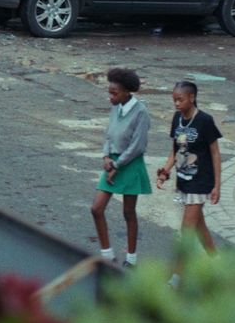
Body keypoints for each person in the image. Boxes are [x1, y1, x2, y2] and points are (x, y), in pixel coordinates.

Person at [156, 81, 222, 286]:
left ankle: (176, 277)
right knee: (199, 226)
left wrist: (217, 185)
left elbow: (215, 153)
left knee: (186, 232)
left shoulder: (204, 121)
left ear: (191, 98)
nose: (176, 103)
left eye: (180, 99)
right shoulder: (177, 119)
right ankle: (218, 263)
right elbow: (175, 151)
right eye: (174, 99)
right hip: (183, 180)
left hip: (201, 182)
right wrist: (165, 171)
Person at [90, 68, 152, 267]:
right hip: (113, 162)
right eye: (109, 92)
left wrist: (118, 164)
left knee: (128, 212)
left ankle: (131, 258)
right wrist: (106, 156)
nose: (110, 96)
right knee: (96, 208)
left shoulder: (141, 112)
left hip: (130, 164)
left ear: (127, 92)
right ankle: (107, 254)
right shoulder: (116, 107)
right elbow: (109, 134)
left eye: (114, 93)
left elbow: (138, 145)